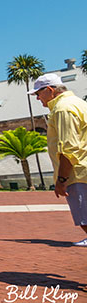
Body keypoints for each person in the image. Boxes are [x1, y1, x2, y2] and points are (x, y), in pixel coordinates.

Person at [28, 72, 87, 246]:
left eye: (38, 94)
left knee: (84, 218)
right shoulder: (79, 103)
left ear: (49, 90)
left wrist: (62, 179)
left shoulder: (63, 109)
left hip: (78, 173)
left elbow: (68, 148)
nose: (38, 99)